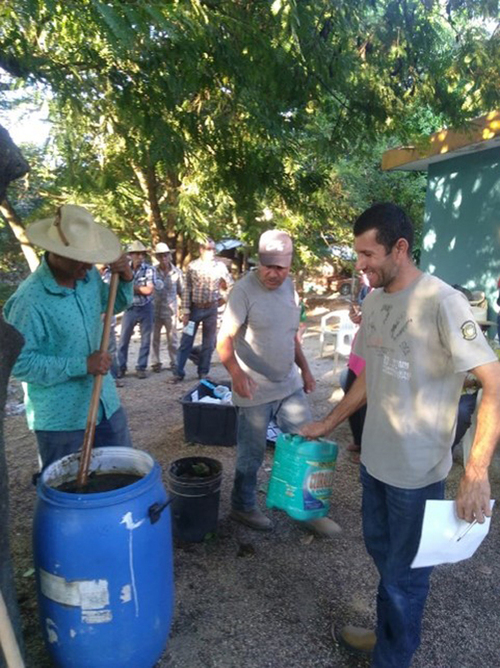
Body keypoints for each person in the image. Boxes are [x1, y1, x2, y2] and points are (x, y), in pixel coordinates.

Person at [300, 203, 500, 667]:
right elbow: (370, 373)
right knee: (385, 560)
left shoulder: (442, 302)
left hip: (418, 474)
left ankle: (393, 655)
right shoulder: (375, 301)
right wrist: (327, 424)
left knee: (404, 577)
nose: (361, 264)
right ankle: (392, 632)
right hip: (375, 462)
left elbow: (493, 381)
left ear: (400, 248)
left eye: (368, 254)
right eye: (358, 254)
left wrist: (475, 472)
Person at [217, 230, 341, 537]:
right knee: (251, 455)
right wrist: (237, 375)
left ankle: (306, 506)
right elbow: (224, 340)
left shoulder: (290, 287)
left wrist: (307, 370)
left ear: (289, 264)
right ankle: (243, 505)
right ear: (260, 262)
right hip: (254, 388)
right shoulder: (243, 291)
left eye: (280, 267)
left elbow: (291, 335)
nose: (274, 274)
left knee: (306, 440)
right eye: (268, 266)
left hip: (289, 383)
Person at [4, 204, 134, 469]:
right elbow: (20, 364)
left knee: (121, 477)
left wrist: (127, 277)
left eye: (90, 257)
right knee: (67, 493)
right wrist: (82, 365)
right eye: (79, 258)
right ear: (56, 253)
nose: (88, 265)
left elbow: (114, 304)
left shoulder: (86, 279)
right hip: (61, 421)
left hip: (105, 406)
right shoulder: (29, 301)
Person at [173, 238, 232, 382]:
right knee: (186, 341)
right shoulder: (193, 266)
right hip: (194, 310)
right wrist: (185, 311)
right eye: (208, 249)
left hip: (211, 309)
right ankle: (178, 373)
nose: (211, 252)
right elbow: (187, 289)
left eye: (213, 249)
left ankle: (203, 372)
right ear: (201, 250)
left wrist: (224, 298)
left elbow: (230, 285)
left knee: (209, 343)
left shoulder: (220, 267)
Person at [117, 241, 162, 379]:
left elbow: (148, 290)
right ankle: (121, 367)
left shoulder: (149, 269)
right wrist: (137, 288)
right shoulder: (124, 270)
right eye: (137, 253)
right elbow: (118, 287)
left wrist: (129, 286)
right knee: (123, 340)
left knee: (145, 340)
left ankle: (141, 367)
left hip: (145, 307)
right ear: (130, 255)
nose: (140, 256)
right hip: (129, 307)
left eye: (142, 254)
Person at [150, 242, 184, 373]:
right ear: (157, 258)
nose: (163, 258)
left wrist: (183, 309)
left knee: (172, 338)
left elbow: (182, 291)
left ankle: (174, 362)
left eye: (165, 255)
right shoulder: (152, 271)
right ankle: (155, 362)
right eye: (160, 256)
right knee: (155, 338)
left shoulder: (177, 272)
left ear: (170, 256)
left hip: (171, 310)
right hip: (154, 309)